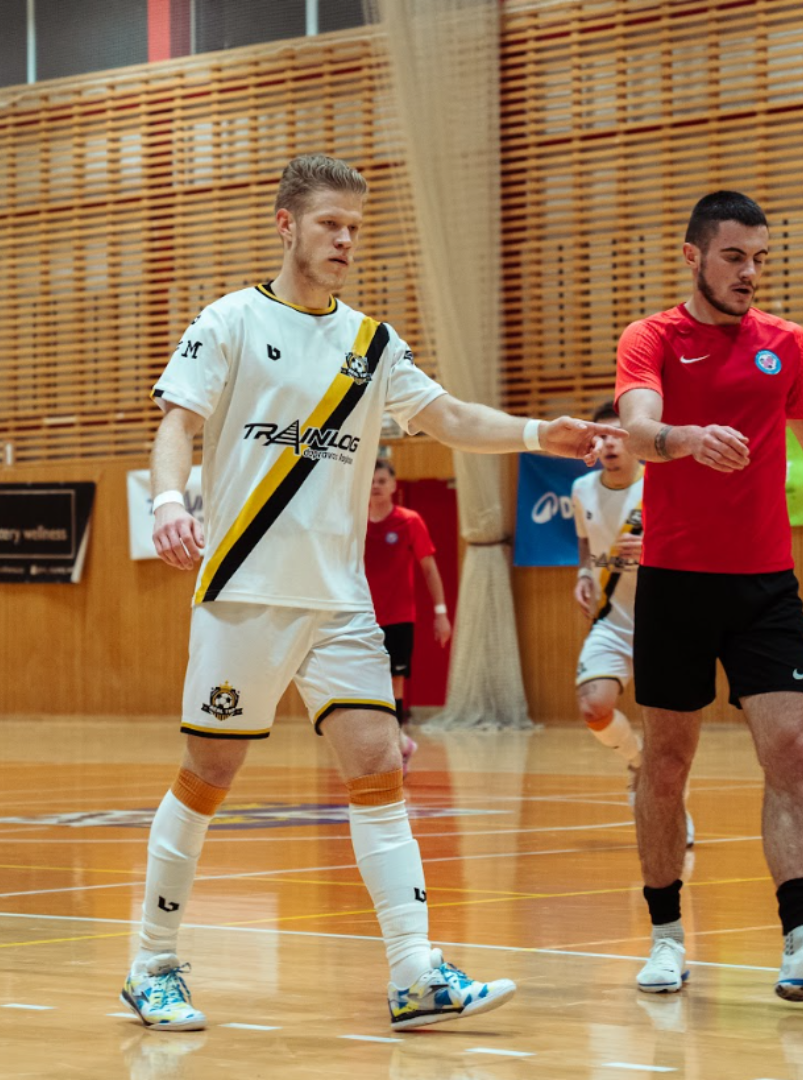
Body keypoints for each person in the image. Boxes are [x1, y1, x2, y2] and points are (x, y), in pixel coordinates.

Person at [127, 153, 624, 1034]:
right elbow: (178, 424)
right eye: (330, 224)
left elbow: (449, 417)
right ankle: (151, 964)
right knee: (208, 776)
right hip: (246, 591)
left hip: (341, 603)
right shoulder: (231, 321)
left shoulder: (371, 343)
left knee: (376, 767)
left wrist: (534, 433)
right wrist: (170, 502)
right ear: (287, 224)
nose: (345, 240)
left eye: (355, 227)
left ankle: (414, 971)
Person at [614, 190, 803, 1000]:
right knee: (666, 762)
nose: (749, 272)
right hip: (674, 584)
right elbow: (636, 428)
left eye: (759, 259)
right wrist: (684, 439)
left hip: (765, 586)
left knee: (795, 751)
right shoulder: (651, 338)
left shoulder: (788, 344)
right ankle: (666, 935)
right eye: (734, 257)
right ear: (694, 257)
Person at [571, 401, 694, 845]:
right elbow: (585, 545)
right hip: (611, 621)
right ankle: (636, 761)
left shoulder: (659, 485)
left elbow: (691, 546)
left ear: (634, 441)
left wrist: (651, 551)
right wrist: (583, 574)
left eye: (617, 435)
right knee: (593, 706)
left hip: (664, 621)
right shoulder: (582, 490)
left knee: (669, 733)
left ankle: (675, 811)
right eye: (600, 436)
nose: (608, 444)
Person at [366, 456, 452, 771]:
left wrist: (441, 613)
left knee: (395, 681)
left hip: (399, 618)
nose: (376, 486)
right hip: (362, 618)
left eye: (382, 481)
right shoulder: (354, 521)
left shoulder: (409, 521)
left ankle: (396, 744)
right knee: (365, 683)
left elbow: (429, 568)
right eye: (371, 481)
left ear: (393, 485)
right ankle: (392, 743)